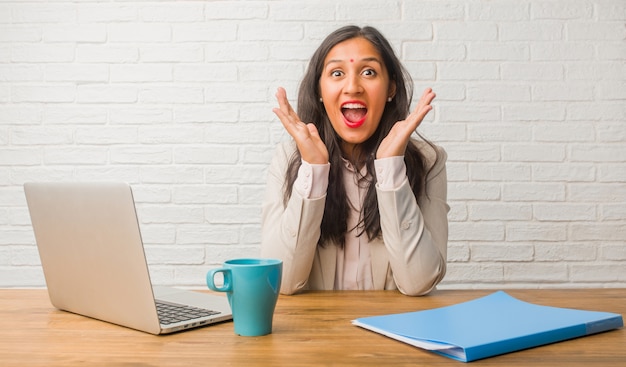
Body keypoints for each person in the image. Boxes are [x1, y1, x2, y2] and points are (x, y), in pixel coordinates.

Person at [260, 25, 449, 296]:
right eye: (337, 73)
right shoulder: (289, 160)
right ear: (320, 92)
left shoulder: (429, 161)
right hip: (315, 333)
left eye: (369, 72)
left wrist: (391, 168)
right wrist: (313, 171)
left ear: (391, 88)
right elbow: (282, 282)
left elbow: (418, 283)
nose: (352, 87)